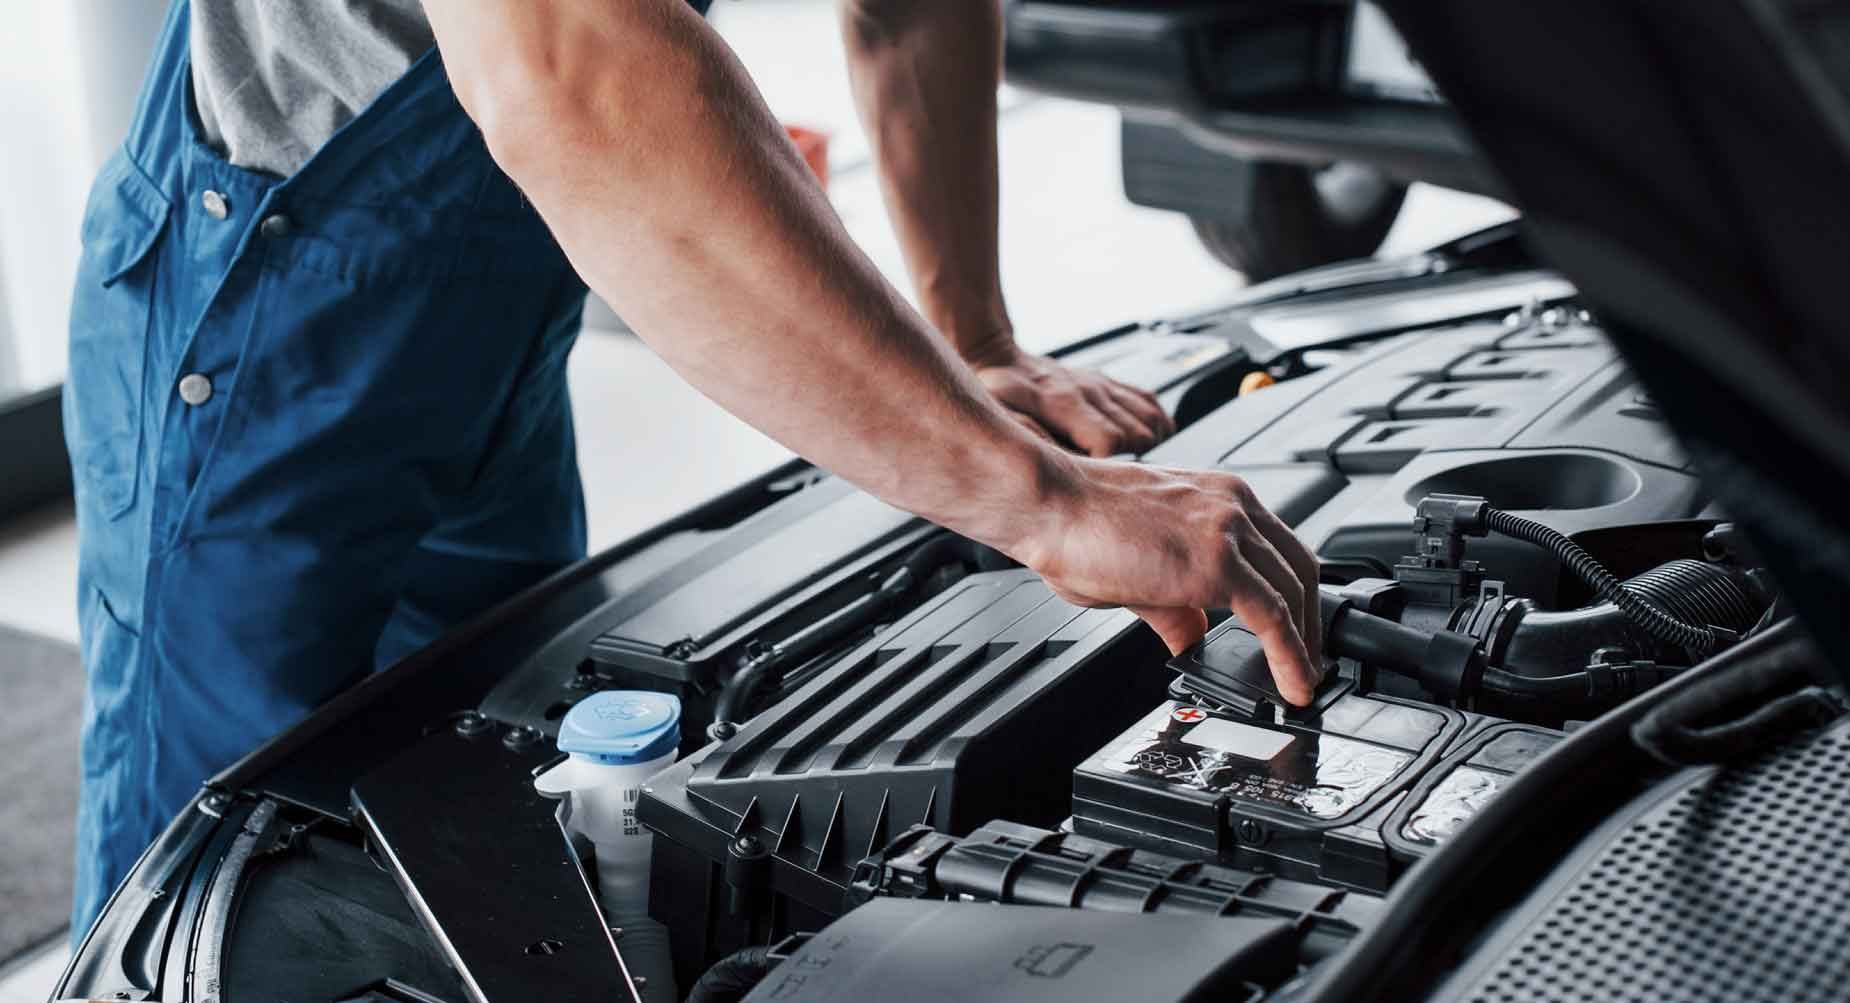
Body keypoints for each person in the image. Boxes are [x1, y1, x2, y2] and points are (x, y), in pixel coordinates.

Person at [64, 0, 1322, 937]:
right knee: (216, 887)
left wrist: (972, 340)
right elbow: (573, 70)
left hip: (496, 322)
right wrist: (1034, 499)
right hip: (272, 311)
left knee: (476, 824)